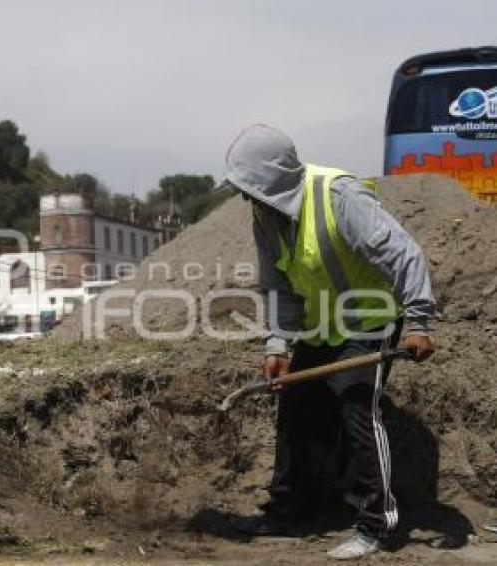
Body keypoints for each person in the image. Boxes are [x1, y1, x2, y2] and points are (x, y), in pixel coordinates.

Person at [223, 124, 435, 560]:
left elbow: (403, 254)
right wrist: (277, 346)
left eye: (251, 188)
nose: (247, 198)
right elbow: (278, 285)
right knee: (297, 410)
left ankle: (377, 524)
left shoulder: (340, 196)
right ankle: (292, 509)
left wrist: (418, 321)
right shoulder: (267, 216)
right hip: (320, 327)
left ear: (274, 180)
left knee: (357, 407)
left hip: (369, 323)